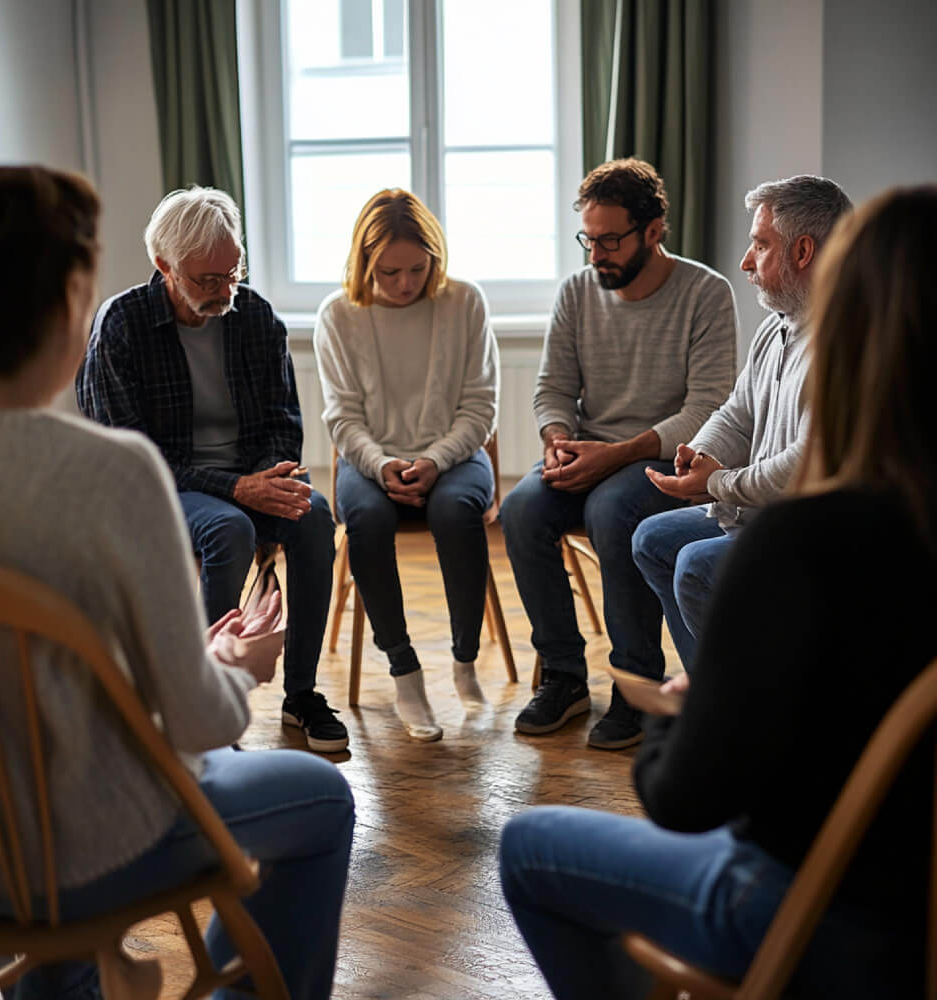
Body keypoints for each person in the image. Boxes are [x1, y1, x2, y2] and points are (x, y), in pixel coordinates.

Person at [499, 184, 937, 999]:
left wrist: (687, 711)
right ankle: (577, 677)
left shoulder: (800, 544)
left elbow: (682, 800)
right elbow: (731, 410)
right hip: (919, 916)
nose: (746, 259)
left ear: (852, 327)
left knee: (527, 846)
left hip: (814, 912)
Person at [0, 165, 354, 1000]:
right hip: (86, 847)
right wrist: (236, 665)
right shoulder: (113, 472)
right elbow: (198, 723)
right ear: (69, 304)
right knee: (322, 799)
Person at [76, 186, 347, 753]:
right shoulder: (121, 323)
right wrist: (237, 488)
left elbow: (283, 421)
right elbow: (133, 454)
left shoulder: (255, 316)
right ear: (164, 267)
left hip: (249, 476)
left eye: (233, 272)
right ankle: (202, 706)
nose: (226, 291)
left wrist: (269, 478)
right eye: (208, 280)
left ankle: (301, 694)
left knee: (314, 516)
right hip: (165, 486)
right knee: (228, 528)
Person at [499, 158, 737, 749]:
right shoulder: (576, 292)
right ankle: (563, 676)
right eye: (588, 239)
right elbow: (552, 389)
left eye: (610, 240)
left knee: (612, 509)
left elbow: (707, 407)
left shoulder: (706, 292)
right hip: (587, 451)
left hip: (665, 457)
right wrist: (557, 441)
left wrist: (617, 454)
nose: (596, 254)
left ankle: (636, 684)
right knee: (521, 510)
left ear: (653, 231)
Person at [631, 175, 851, 670]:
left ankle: (747, 703)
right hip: (767, 513)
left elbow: (807, 463)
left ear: (803, 251)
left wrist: (718, 483)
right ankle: (711, 694)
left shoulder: (846, 337)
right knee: (652, 540)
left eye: (760, 245)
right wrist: (700, 453)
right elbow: (738, 411)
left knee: (695, 566)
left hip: (819, 530)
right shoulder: (777, 326)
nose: (746, 262)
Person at [314, 188, 499, 742]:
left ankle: (464, 660)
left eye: (418, 269)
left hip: (455, 455)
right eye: (389, 272)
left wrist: (435, 459)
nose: (404, 284)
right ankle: (405, 675)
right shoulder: (337, 315)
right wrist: (381, 464)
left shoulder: (464, 302)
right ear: (364, 262)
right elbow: (342, 417)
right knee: (367, 522)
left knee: (456, 511)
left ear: (435, 258)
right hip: (370, 459)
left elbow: (480, 408)